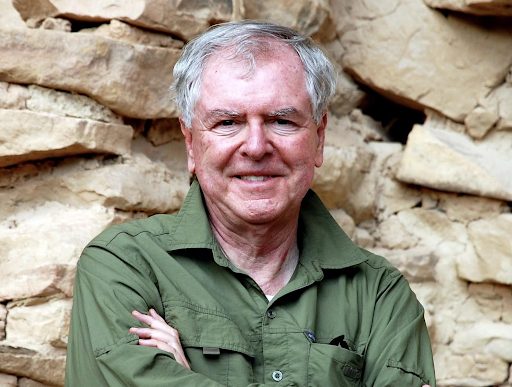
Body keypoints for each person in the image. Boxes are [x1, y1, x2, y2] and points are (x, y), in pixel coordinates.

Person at [65, 20, 436, 386]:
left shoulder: (379, 296)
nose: (256, 147)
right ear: (191, 143)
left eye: (281, 121)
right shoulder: (124, 266)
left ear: (319, 139)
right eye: (228, 122)